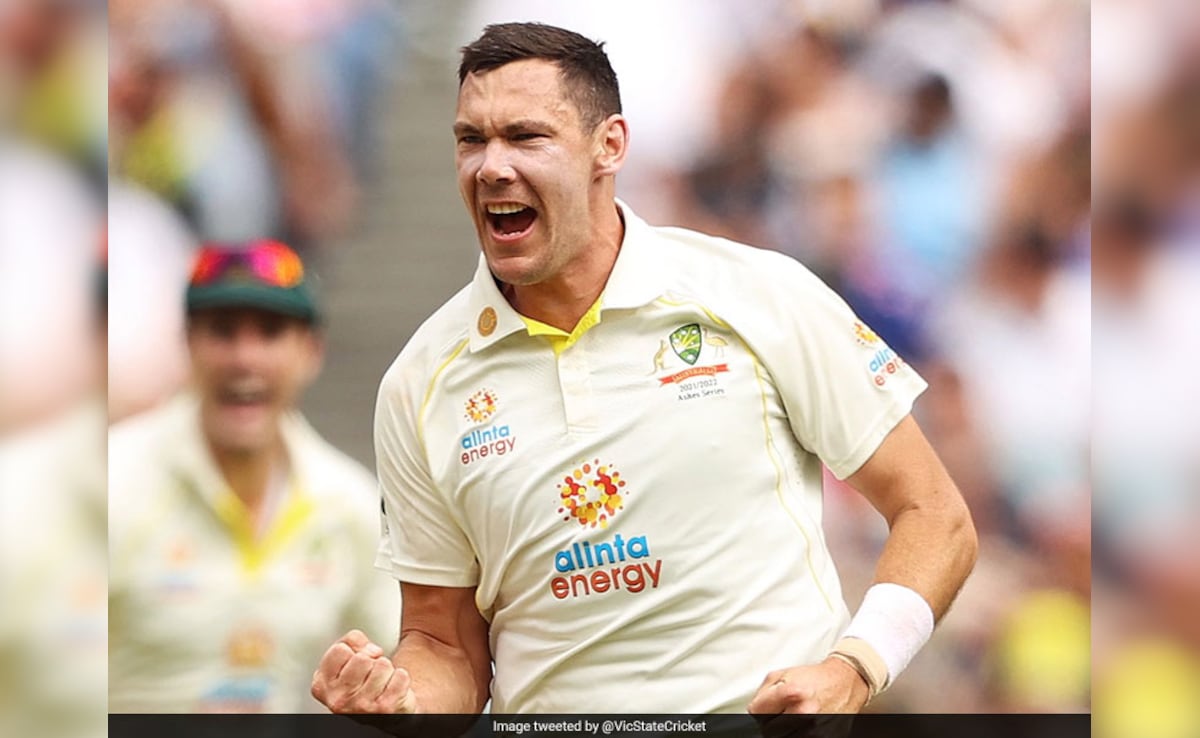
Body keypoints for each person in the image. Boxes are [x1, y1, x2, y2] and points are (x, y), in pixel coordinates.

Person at [311, 22, 976, 715]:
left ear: (611, 145)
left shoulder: (757, 292)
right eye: (471, 139)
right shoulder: (419, 383)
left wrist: (856, 665)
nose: (490, 166)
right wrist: (401, 700)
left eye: (525, 136)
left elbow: (935, 513)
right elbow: (444, 644)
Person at [109, 238, 399, 712]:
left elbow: (402, 661)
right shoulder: (110, 479)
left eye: (269, 332)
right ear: (187, 343)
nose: (245, 359)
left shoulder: (347, 501)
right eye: (222, 331)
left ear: (311, 350)